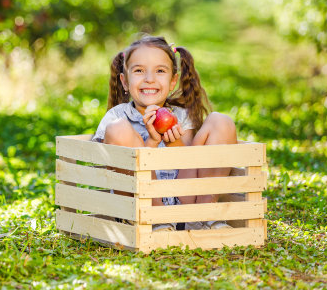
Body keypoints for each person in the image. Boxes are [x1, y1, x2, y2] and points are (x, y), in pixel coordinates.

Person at [92, 35, 238, 231]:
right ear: (125, 82)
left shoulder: (180, 116)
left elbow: (191, 166)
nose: (149, 78)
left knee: (221, 121)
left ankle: (206, 214)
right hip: (140, 208)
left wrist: (174, 142)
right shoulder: (117, 117)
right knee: (118, 129)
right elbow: (112, 168)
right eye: (139, 71)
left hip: (186, 205)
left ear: (172, 81)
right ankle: (157, 218)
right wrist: (152, 141)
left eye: (160, 71)